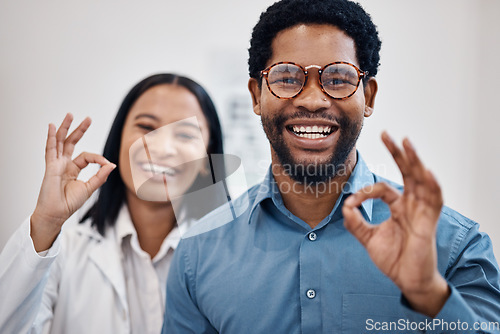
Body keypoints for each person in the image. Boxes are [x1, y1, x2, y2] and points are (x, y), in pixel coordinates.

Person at [163, 1, 500, 333]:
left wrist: (430, 293)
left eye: (338, 79)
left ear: (368, 97)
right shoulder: (199, 252)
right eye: (287, 77)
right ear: (256, 96)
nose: (312, 100)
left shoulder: (455, 245)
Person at [0, 73, 227, 334]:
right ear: (118, 141)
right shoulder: (64, 254)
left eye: (186, 135)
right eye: (146, 127)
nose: (164, 148)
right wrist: (45, 222)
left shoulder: (227, 259)